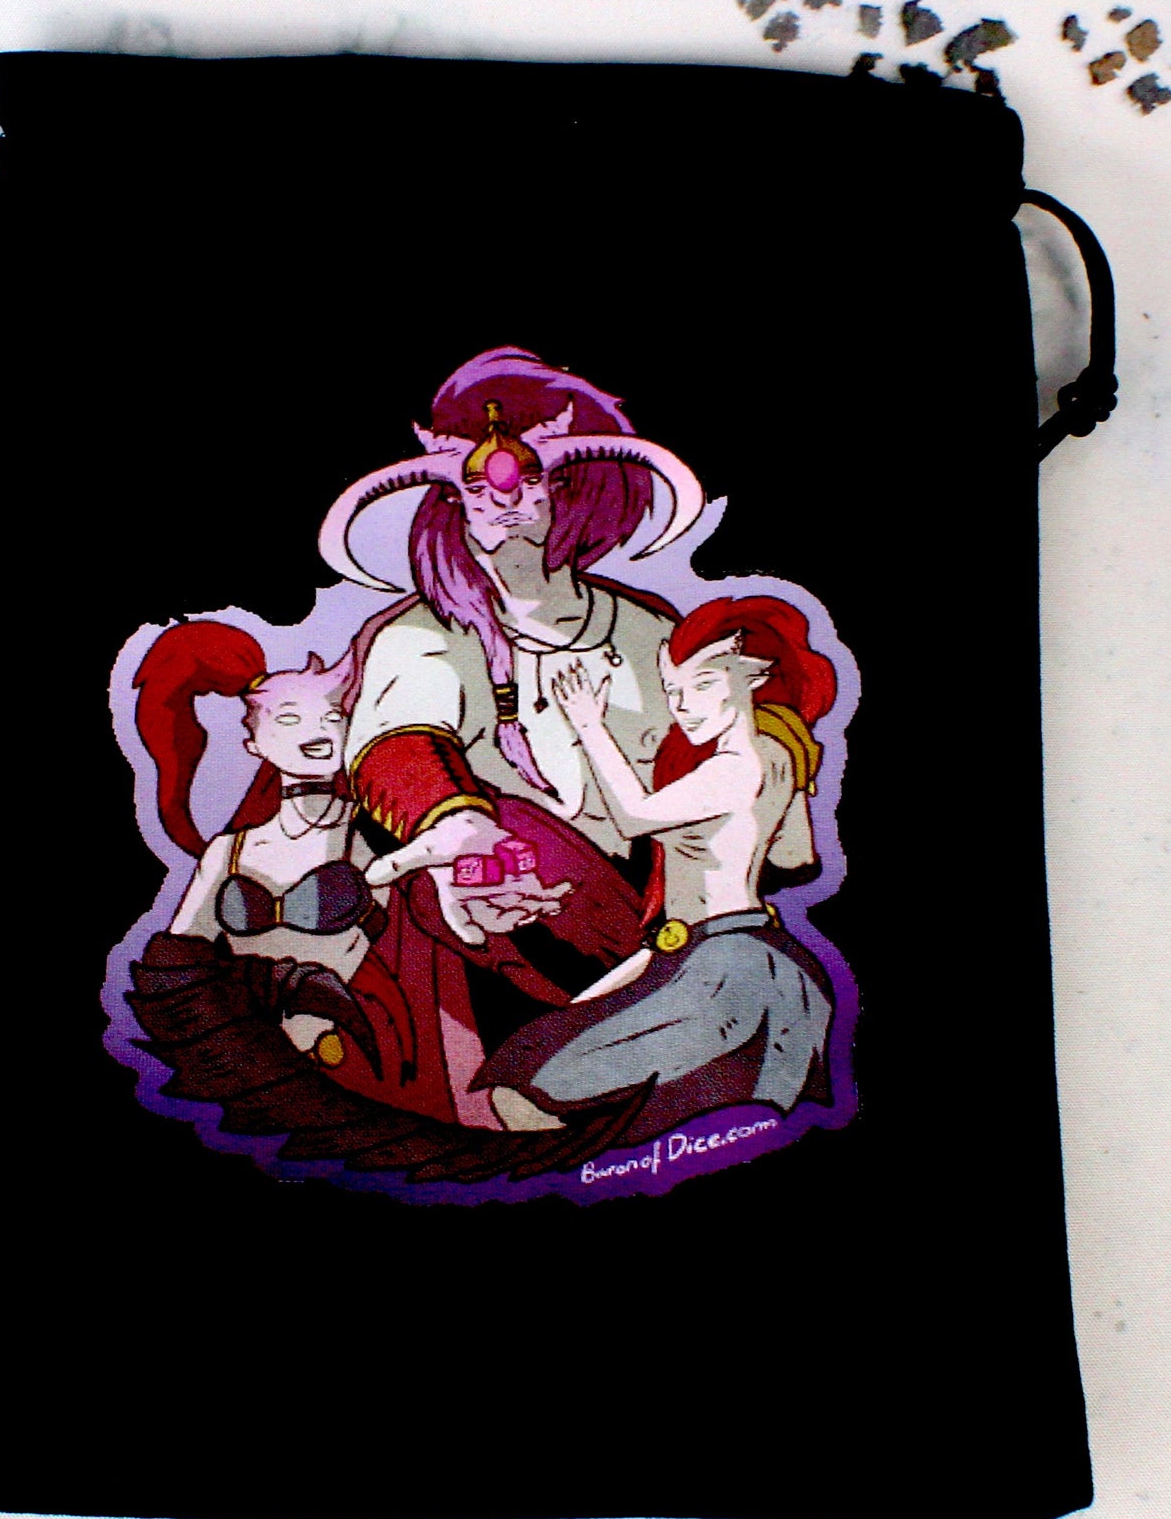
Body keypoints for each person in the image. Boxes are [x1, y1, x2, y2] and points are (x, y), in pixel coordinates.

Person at [319, 347, 707, 999]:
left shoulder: (651, 630)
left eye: (530, 479)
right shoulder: (420, 635)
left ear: (569, 487)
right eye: (477, 487)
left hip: (671, 917)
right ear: (452, 500)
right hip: (507, 927)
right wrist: (454, 825)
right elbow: (397, 744)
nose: (505, 499)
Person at [474, 595, 838, 1141]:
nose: (683, 705)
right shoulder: (777, 755)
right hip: (706, 953)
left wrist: (588, 724)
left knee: (535, 1086)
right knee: (548, 1071)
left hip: (727, 966)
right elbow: (796, 856)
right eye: (672, 690)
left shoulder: (737, 766)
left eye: (703, 685)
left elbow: (633, 816)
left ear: (755, 675)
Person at [125, 620, 454, 1121]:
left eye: (332, 716)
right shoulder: (229, 851)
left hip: (353, 1051)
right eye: (289, 718)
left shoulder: (372, 833)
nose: (317, 731)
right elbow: (177, 961)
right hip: (242, 1050)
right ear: (253, 744)